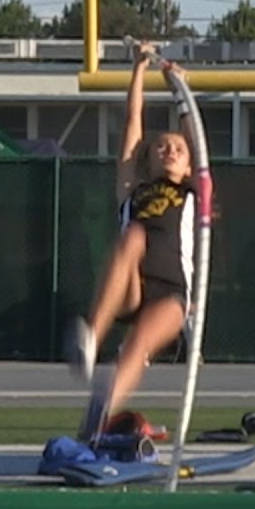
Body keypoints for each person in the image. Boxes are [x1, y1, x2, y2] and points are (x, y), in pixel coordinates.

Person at [66, 44, 197, 442]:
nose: (170, 150)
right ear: (148, 160)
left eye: (177, 149)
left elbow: (196, 137)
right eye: (162, 147)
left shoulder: (194, 191)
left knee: (138, 345)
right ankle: (92, 337)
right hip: (132, 287)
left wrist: (180, 91)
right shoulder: (132, 189)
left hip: (172, 294)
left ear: (188, 163)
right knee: (133, 236)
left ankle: (100, 414)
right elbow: (132, 123)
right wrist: (139, 69)